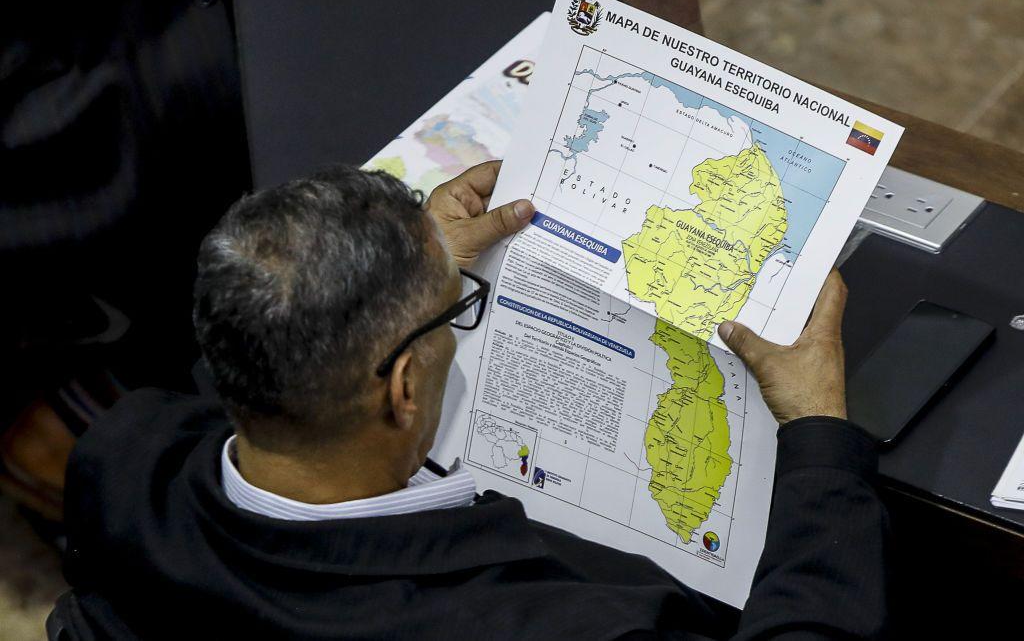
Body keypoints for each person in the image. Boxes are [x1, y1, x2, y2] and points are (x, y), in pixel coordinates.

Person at [49, 163, 888, 640]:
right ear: (405, 388)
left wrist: (413, 271)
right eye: (458, 308)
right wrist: (817, 435)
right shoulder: (544, 627)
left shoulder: (122, 463)